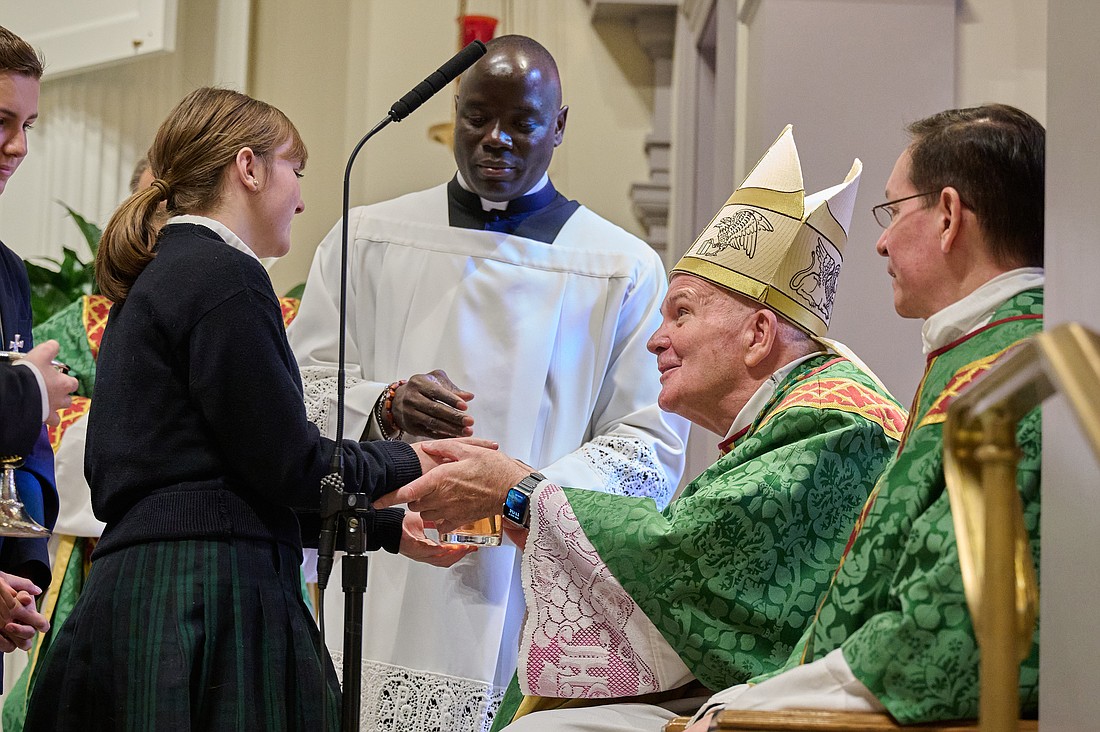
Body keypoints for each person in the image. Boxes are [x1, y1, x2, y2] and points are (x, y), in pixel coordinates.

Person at [518, 103, 1046, 731]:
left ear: (950, 216)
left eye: (894, 209)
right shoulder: (988, 357)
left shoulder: (992, 382)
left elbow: (943, 627)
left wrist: (522, 494)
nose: (880, 239)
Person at [376, 126, 909, 731]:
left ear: (759, 335)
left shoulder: (834, 424)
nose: (657, 339)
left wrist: (520, 494)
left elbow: (685, 567)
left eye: (681, 313)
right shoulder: (793, 415)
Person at [22, 86, 480, 729]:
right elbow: (288, 464)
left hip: (144, 593)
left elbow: (216, 483)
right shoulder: (224, 275)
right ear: (249, 167)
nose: (301, 194)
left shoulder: (155, 279)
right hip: (210, 603)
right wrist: (411, 460)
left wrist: (379, 530)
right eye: (296, 168)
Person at [288, 35, 689, 731]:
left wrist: (515, 489)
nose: (495, 140)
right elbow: (300, 390)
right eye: (476, 118)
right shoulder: (368, 237)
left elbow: (647, 446)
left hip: (534, 578)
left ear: (559, 126)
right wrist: (381, 403)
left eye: (522, 123)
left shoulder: (621, 267)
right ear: (454, 112)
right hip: (388, 568)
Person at [0, 24, 78, 681]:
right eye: (1, 121)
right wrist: (27, 391)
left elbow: (27, 447)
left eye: (28, 124)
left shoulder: (7, 272)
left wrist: (21, 569)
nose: (18, 147)